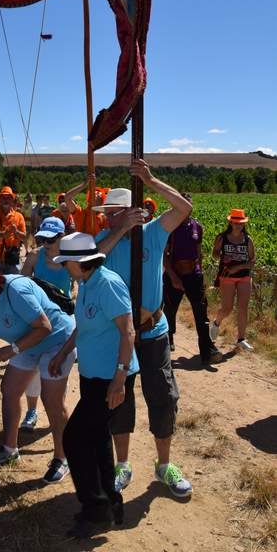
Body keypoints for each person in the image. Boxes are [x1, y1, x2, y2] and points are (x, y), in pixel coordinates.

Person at [94, 160, 193, 499]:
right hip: (119, 335)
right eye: (106, 213)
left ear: (129, 210)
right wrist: (119, 230)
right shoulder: (104, 239)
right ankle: (123, 464)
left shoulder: (153, 234)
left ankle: (164, 465)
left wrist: (150, 181)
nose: (106, 217)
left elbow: (184, 208)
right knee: (119, 398)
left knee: (163, 396)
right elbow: (90, 262)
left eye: (112, 212)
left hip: (153, 331)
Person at [48, 233, 138, 536]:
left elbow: (128, 332)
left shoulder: (107, 284)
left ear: (79, 261)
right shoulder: (86, 284)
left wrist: (120, 379)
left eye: (66, 261)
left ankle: (95, 509)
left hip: (109, 379)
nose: (63, 266)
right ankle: (111, 505)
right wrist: (62, 353)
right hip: (93, 376)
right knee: (97, 439)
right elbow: (82, 327)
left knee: (74, 439)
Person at [0, 260, 76, 484]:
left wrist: (12, 349)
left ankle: (62, 457)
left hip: (57, 341)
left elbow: (44, 326)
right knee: (9, 389)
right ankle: (10, 449)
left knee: (51, 400)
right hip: (26, 342)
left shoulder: (16, 291)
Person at [19, 216, 73, 431]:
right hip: (38, 320)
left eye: (52, 239)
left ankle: (58, 409)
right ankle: (32, 411)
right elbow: (22, 285)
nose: (47, 243)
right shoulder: (34, 257)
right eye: (43, 238)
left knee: (57, 369)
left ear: (63, 237)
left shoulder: (71, 258)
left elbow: (82, 284)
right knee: (31, 369)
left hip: (63, 320)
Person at [163, 194, 222, 364]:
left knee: (201, 313)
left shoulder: (197, 227)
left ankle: (207, 351)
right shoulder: (170, 227)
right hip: (174, 274)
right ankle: (167, 344)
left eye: (188, 204)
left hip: (193, 275)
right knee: (169, 311)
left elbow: (199, 252)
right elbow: (164, 256)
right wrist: (173, 277)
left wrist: (200, 273)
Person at [209, 208, 256, 351]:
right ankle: (217, 323)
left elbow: (252, 260)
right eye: (235, 223)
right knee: (227, 308)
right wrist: (221, 255)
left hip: (244, 276)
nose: (238, 225)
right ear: (230, 222)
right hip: (227, 277)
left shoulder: (247, 240)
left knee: (243, 307)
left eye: (241, 223)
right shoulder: (222, 238)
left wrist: (238, 267)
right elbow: (215, 255)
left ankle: (241, 339)